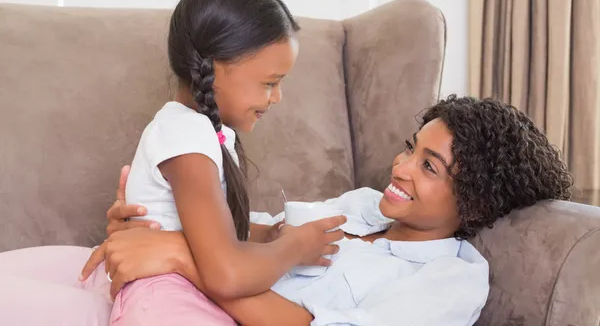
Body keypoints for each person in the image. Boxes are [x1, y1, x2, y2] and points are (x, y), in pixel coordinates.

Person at [77, 95, 573, 326]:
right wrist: (155, 223)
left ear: (476, 199)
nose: (399, 167)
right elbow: (256, 234)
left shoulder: (452, 279)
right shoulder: (362, 209)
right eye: (409, 148)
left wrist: (182, 256)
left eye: (429, 167)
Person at [79, 0, 347, 324]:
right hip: (164, 301)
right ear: (216, 67)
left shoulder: (206, 132)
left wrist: (268, 234)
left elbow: (209, 230)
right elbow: (226, 273)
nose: (277, 97)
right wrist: (294, 247)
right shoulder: (185, 135)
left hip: (182, 289)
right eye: (270, 83)